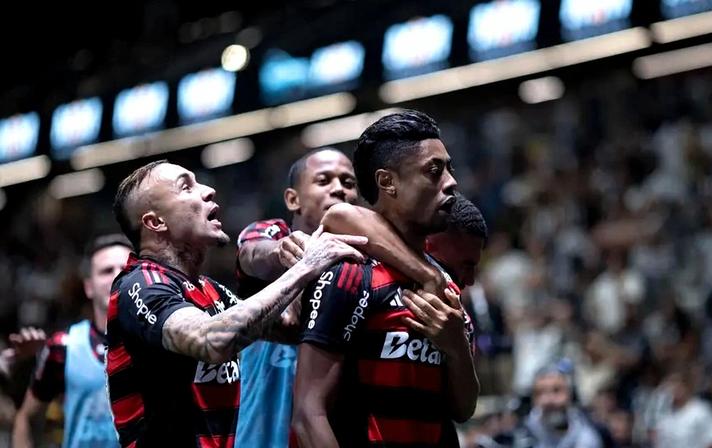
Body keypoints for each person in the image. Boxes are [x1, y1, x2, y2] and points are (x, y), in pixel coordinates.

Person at [106, 160, 367, 447]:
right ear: (156, 223)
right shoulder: (139, 283)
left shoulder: (211, 291)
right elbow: (211, 341)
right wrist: (305, 266)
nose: (208, 190)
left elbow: (291, 329)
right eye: (186, 187)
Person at [236, 148, 473, 447]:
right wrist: (282, 251)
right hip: (266, 426)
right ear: (293, 199)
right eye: (324, 180)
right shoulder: (272, 233)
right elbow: (250, 253)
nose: (339, 188)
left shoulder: (367, 264)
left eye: (348, 183)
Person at [292, 110, 479, 447]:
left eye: (449, 169)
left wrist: (456, 348)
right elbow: (308, 413)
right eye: (434, 171)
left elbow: (462, 409)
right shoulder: (350, 273)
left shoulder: (446, 285)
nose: (451, 182)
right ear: (388, 182)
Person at [13, 234, 133, 448]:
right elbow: (26, 419)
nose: (117, 277)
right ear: (89, 286)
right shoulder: (64, 347)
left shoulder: (159, 343)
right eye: (106, 271)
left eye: (125, 270)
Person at [514, 360, 604, 448]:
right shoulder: (519, 434)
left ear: (571, 395)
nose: (549, 400)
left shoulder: (587, 437)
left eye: (556, 390)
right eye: (540, 393)